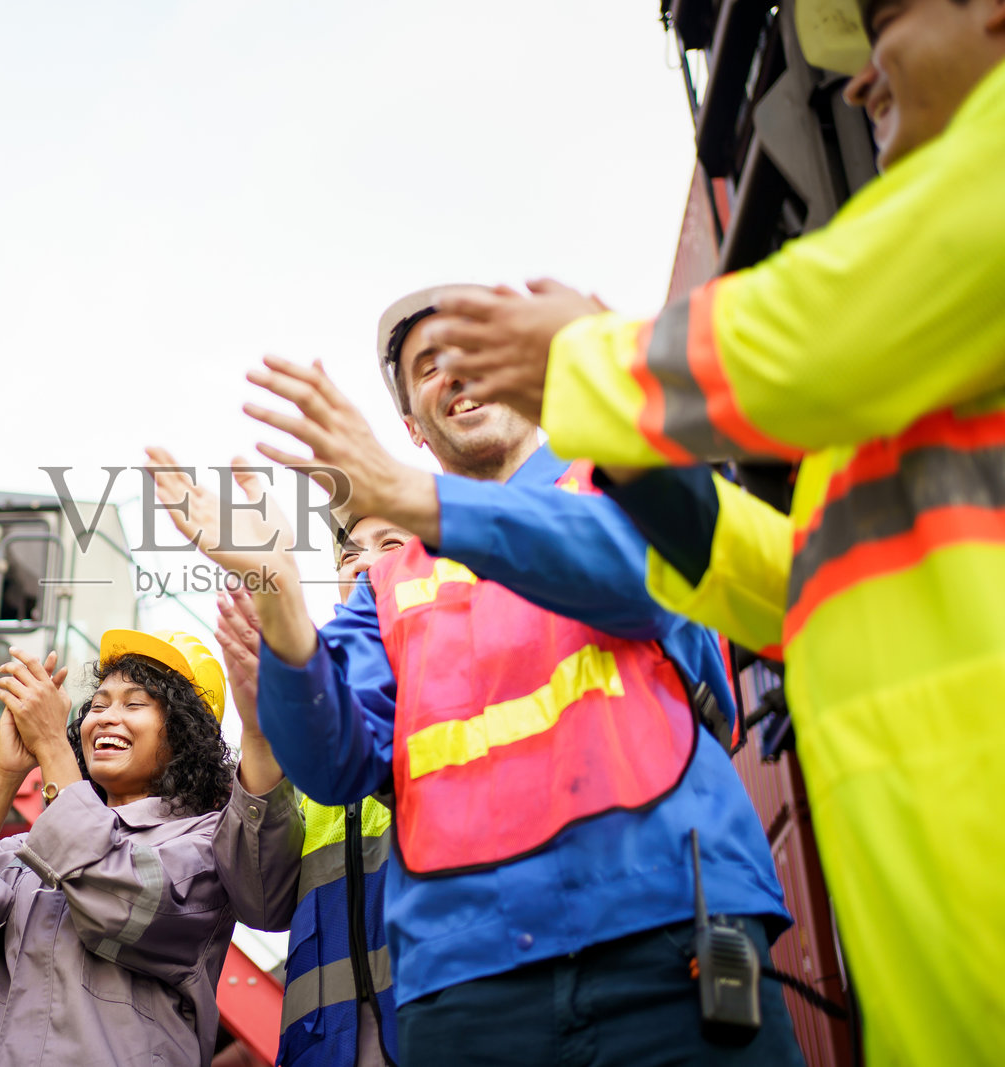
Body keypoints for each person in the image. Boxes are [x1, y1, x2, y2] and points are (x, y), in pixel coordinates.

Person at [410, 2, 1005, 1060]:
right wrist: (638, 462)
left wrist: (592, 362)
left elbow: (823, 332)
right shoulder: (927, 362)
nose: (861, 83)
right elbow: (796, 586)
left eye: (884, 29)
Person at [147, 289, 803, 1065]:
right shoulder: (386, 588)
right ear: (411, 426)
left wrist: (414, 499)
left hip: (667, 929)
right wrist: (281, 595)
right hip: (467, 983)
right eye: (427, 368)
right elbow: (331, 768)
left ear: (528, 373)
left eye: (472, 352)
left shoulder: (628, 476)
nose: (453, 374)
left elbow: (639, 581)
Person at [0, 628, 301, 1066]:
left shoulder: (205, 845)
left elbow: (111, 898)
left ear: (185, 734)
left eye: (134, 704)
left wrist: (51, 743)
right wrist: (7, 774)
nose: (106, 717)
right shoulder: (39, 840)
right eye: (98, 704)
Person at [215, 513, 408, 1067]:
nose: (364, 562)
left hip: (448, 1025)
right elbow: (263, 902)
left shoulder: (472, 672)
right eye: (349, 555)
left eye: (391, 544)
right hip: (323, 1047)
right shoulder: (304, 714)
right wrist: (257, 730)